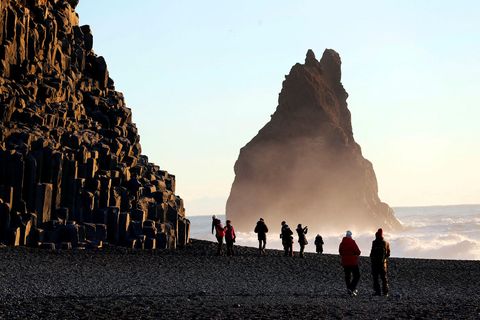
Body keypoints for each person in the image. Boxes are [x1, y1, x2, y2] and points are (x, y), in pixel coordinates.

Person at [339, 230, 361, 296]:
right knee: (357, 275)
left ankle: (349, 289)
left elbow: (340, 252)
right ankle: (351, 288)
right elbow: (358, 252)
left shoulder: (342, 243)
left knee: (347, 276)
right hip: (353, 262)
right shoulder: (352, 242)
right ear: (350, 235)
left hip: (345, 262)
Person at [370, 228, 391, 296]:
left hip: (375, 264)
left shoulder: (374, 242)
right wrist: (384, 259)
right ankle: (385, 292)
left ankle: (377, 292)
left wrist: (372, 260)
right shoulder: (386, 243)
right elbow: (388, 254)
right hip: (382, 264)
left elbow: (372, 253)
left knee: (375, 278)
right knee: (384, 278)